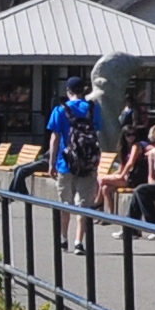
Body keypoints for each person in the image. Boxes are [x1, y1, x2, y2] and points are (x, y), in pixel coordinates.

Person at [42, 78, 103, 234]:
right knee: (84, 205)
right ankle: (79, 241)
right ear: (83, 91)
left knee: (65, 204)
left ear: (68, 91)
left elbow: (55, 138)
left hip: (65, 163)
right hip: (88, 163)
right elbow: (96, 134)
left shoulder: (60, 110)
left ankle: (63, 238)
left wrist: (51, 164)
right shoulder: (93, 109)